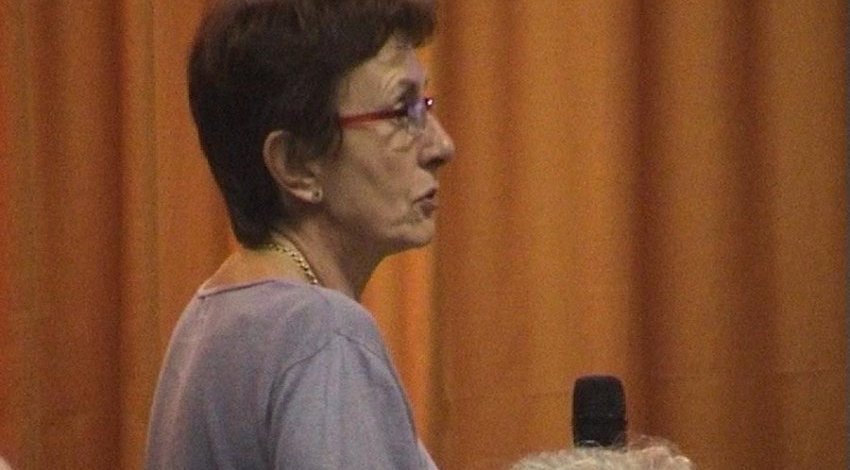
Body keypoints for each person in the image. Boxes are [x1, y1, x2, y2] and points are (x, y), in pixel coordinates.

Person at [144, 0, 454, 468]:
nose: (441, 146)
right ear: (296, 164)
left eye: (424, 105)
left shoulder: (209, 318)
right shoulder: (323, 334)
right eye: (401, 111)